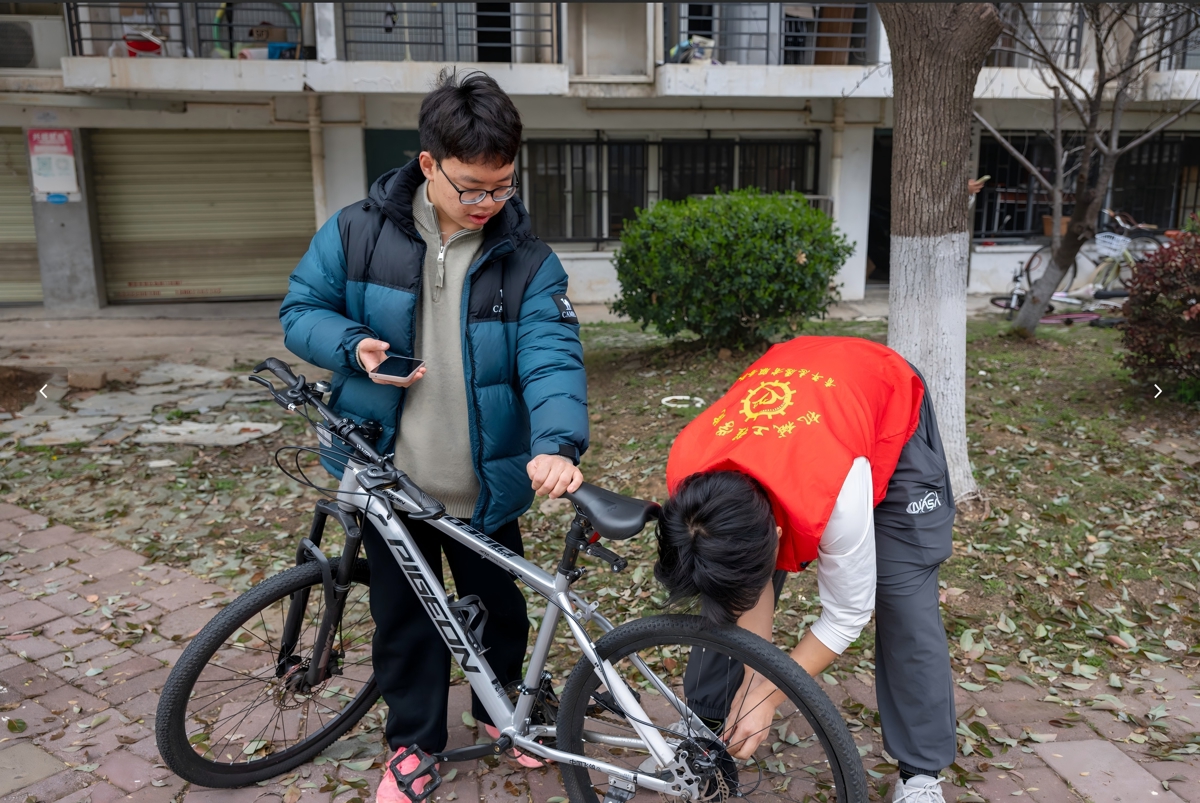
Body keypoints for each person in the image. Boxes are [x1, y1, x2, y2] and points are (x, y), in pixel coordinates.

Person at [280, 69, 588, 803]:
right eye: (471, 187)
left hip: (487, 483)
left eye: (502, 185)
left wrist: (557, 442)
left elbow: (552, 358)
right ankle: (414, 746)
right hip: (393, 479)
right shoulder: (357, 231)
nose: (488, 203)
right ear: (428, 164)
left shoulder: (529, 260)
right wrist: (352, 344)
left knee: (500, 611)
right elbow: (300, 310)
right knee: (406, 623)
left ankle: (503, 712)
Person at [657, 336, 956, 803]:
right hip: (799, 387)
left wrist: (768, 697)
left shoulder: (835, 487)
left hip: (882, 401)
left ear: (777, 536)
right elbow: (743, 591)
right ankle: (707, 719)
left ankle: (920, 774)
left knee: (903, 593)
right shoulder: (689, 470)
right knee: (721, 581)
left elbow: (845, 615)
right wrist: (754, 685)